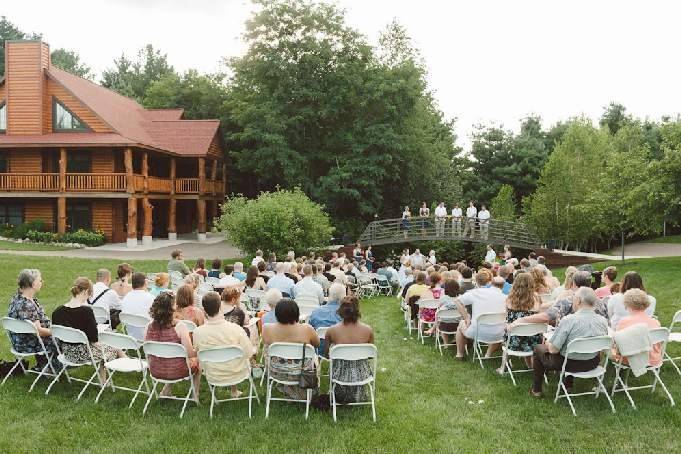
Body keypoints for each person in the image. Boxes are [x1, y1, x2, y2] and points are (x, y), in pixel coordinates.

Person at [530, 287, 608, 397]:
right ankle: (568, 385)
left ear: (579, 301)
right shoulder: (603, 321)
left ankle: (536, 390)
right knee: (569, 348)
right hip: (592, 363)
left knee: (539, 348)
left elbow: (553, 350)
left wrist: (548, 343)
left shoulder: (569, 320)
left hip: (568, 364)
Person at [52, 278, 124, 381]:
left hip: (66, 353)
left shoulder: (57, 311)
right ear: (86, 291)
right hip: (84, 354)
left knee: (110, 346)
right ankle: (108, 378)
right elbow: (93, 338)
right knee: (114, 347)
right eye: (90, 294)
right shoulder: (86, 312)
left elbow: (57, 334)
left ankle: (107, 378)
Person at [193, 291, 255, 398]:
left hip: (213, 374)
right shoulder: (236, 329)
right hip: (237, 373)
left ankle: (234, 391)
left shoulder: (198, 332)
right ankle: (234, 391)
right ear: (220, 307)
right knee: (235, 356)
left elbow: (198, 353)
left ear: (204, 310)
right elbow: (249, 353)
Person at [144, 292, 200, 400]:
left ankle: (166, 390)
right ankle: (195, 395)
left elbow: (147, 349)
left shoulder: (148, 326)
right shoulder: (180, 327)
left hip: (155, 370)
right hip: (177, 371)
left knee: (171, 358)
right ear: (172, 309)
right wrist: (198, 348)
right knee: (197, 360)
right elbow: (190, 354)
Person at [262, 299, 320, 399]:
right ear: (296, 313)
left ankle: (287, 388)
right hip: (301, 373)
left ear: (277, 314)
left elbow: (266, 344)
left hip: (277, 372)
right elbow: (317, 344)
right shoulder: (307, 329)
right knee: (314, 356)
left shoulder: (267, 329)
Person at [324, 296, 375, 403]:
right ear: (357, 310)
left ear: (340, 311)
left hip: (339, 374)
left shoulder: (331, 331)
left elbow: (327, 355)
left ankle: (340, 394)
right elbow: (370, 356)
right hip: (362, 375)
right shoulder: (368, 330)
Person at [8, 269, 59, 371]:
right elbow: (39, 332)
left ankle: (44, 364)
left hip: (19, 342)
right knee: (67, 341)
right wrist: (57, 332)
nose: (42, 282)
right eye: (40, 280)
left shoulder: (16, 298)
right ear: (33, 283)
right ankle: (50, 368)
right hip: (29, 344)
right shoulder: (26, 305)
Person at [454, 269, 506, 359]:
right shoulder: (503, 295)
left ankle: (460, 354)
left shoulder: (475, 293)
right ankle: (488, 354)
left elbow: (457, 301)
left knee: (461, 324)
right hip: (499, 334)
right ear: (490, 281)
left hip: (478, 332)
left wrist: (466, 318)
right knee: (497, 325)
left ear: (476, 281)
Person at [496, 273, 541, 374]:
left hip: (513, 341)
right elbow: (538, 314)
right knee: (527, 330)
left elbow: (507, 317)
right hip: (533, 341)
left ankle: (503, 367)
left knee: (507, 334)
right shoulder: (536, 298)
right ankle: (530, 365)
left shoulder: (510, 298)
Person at [613, 288, 662, 367]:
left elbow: (618, 344)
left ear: (627, 304)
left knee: (609, 346)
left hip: (631, 360)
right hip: (654, 359)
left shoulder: (624, 322)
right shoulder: (655, 322)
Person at [309, 283, 346, 354]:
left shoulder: (316, 312)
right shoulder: (347, 314)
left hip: (319, 351)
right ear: (344, 296)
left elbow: (310, 333)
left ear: (330, 294)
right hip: (341, 352)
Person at [120, 272, 155, 341]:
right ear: (145, 282)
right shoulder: (150, 297)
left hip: (131, 335)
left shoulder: (126, 297)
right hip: (148, 335)